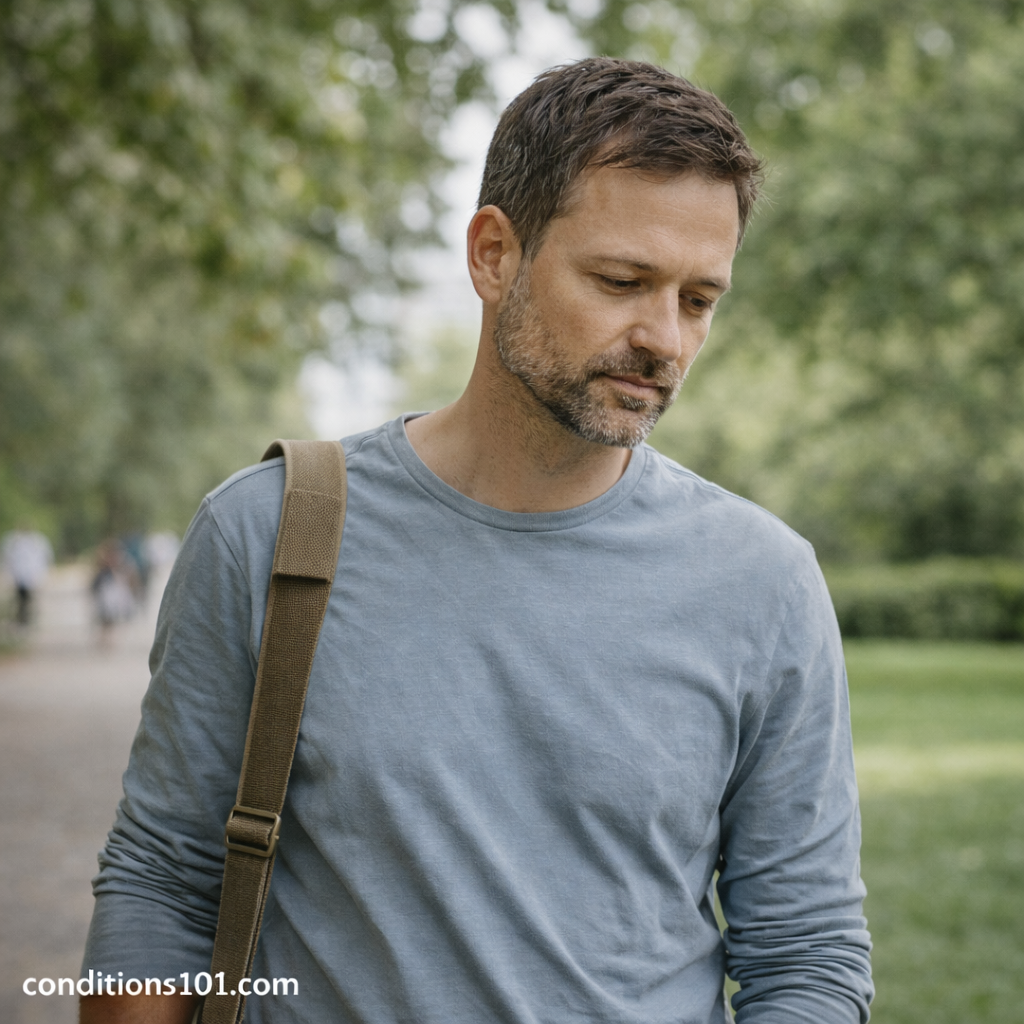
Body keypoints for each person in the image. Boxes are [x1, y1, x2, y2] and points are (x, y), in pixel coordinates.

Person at [81, 59, 873, 1023]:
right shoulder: (270, 532)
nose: (665, 339)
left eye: (699, 300)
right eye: (622, 281)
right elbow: (162, 882)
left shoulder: (765, 582)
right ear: (494, 254)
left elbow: (807, 954)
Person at [1, 525, 52, 627]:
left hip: (30, 576)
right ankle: (23, 619)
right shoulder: (14, 541)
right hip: (21, 576)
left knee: (29, 599)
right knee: (22, 599)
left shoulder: (37, 540)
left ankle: (28, 619)